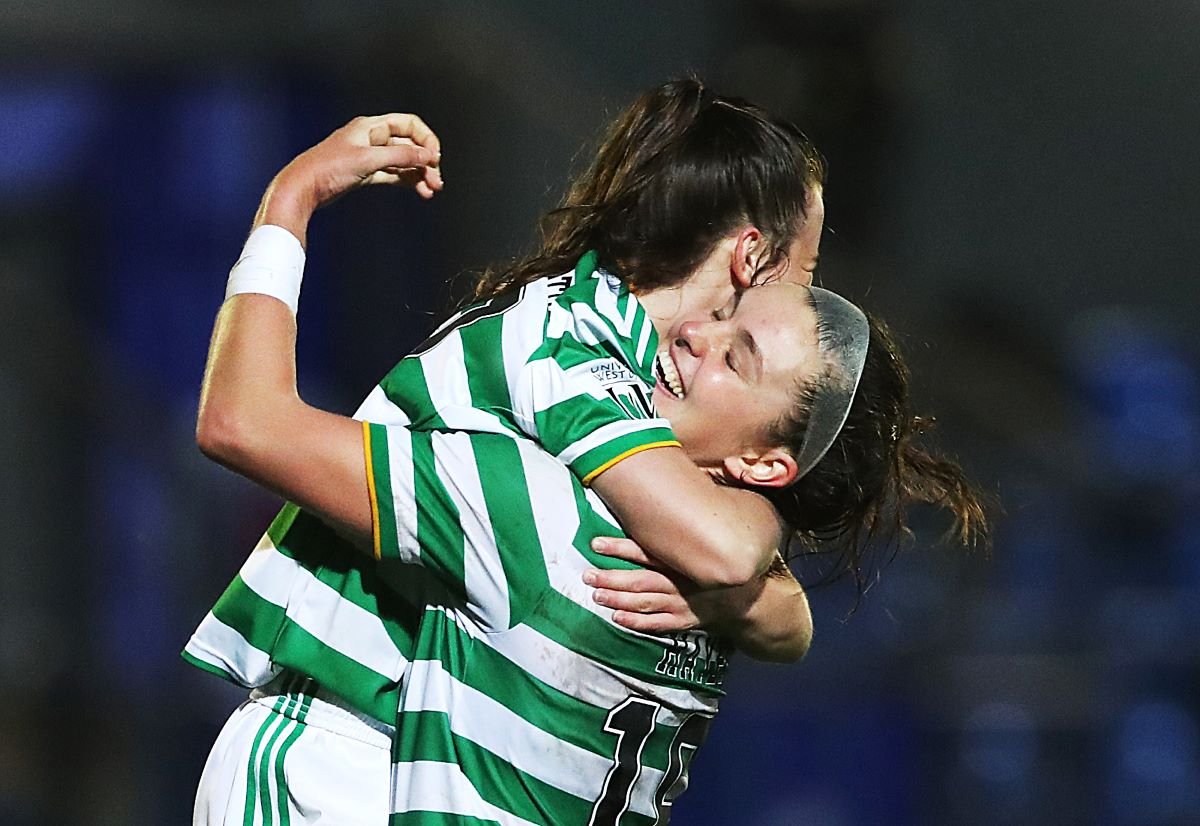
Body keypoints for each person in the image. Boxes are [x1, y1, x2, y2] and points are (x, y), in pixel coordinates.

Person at [187, 82, 984, 825]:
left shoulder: (644, 384)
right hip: (336, 750)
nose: (806, 289)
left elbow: (773, 602)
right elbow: (728, 547)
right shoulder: (566, 353)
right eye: (806, 268)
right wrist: (289, 205)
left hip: (426, 748)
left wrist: (750, 596)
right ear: (750, 256)